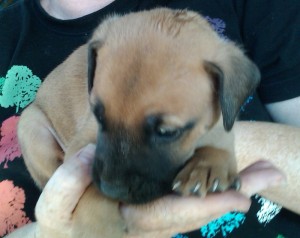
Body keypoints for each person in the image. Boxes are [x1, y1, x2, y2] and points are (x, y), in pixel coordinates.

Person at [0, 0, 299, 237]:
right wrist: (53, 231)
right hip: (51, 142)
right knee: (32, 127)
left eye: (166, 131)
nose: (114, 185)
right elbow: (83, 149)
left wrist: (221, 149)